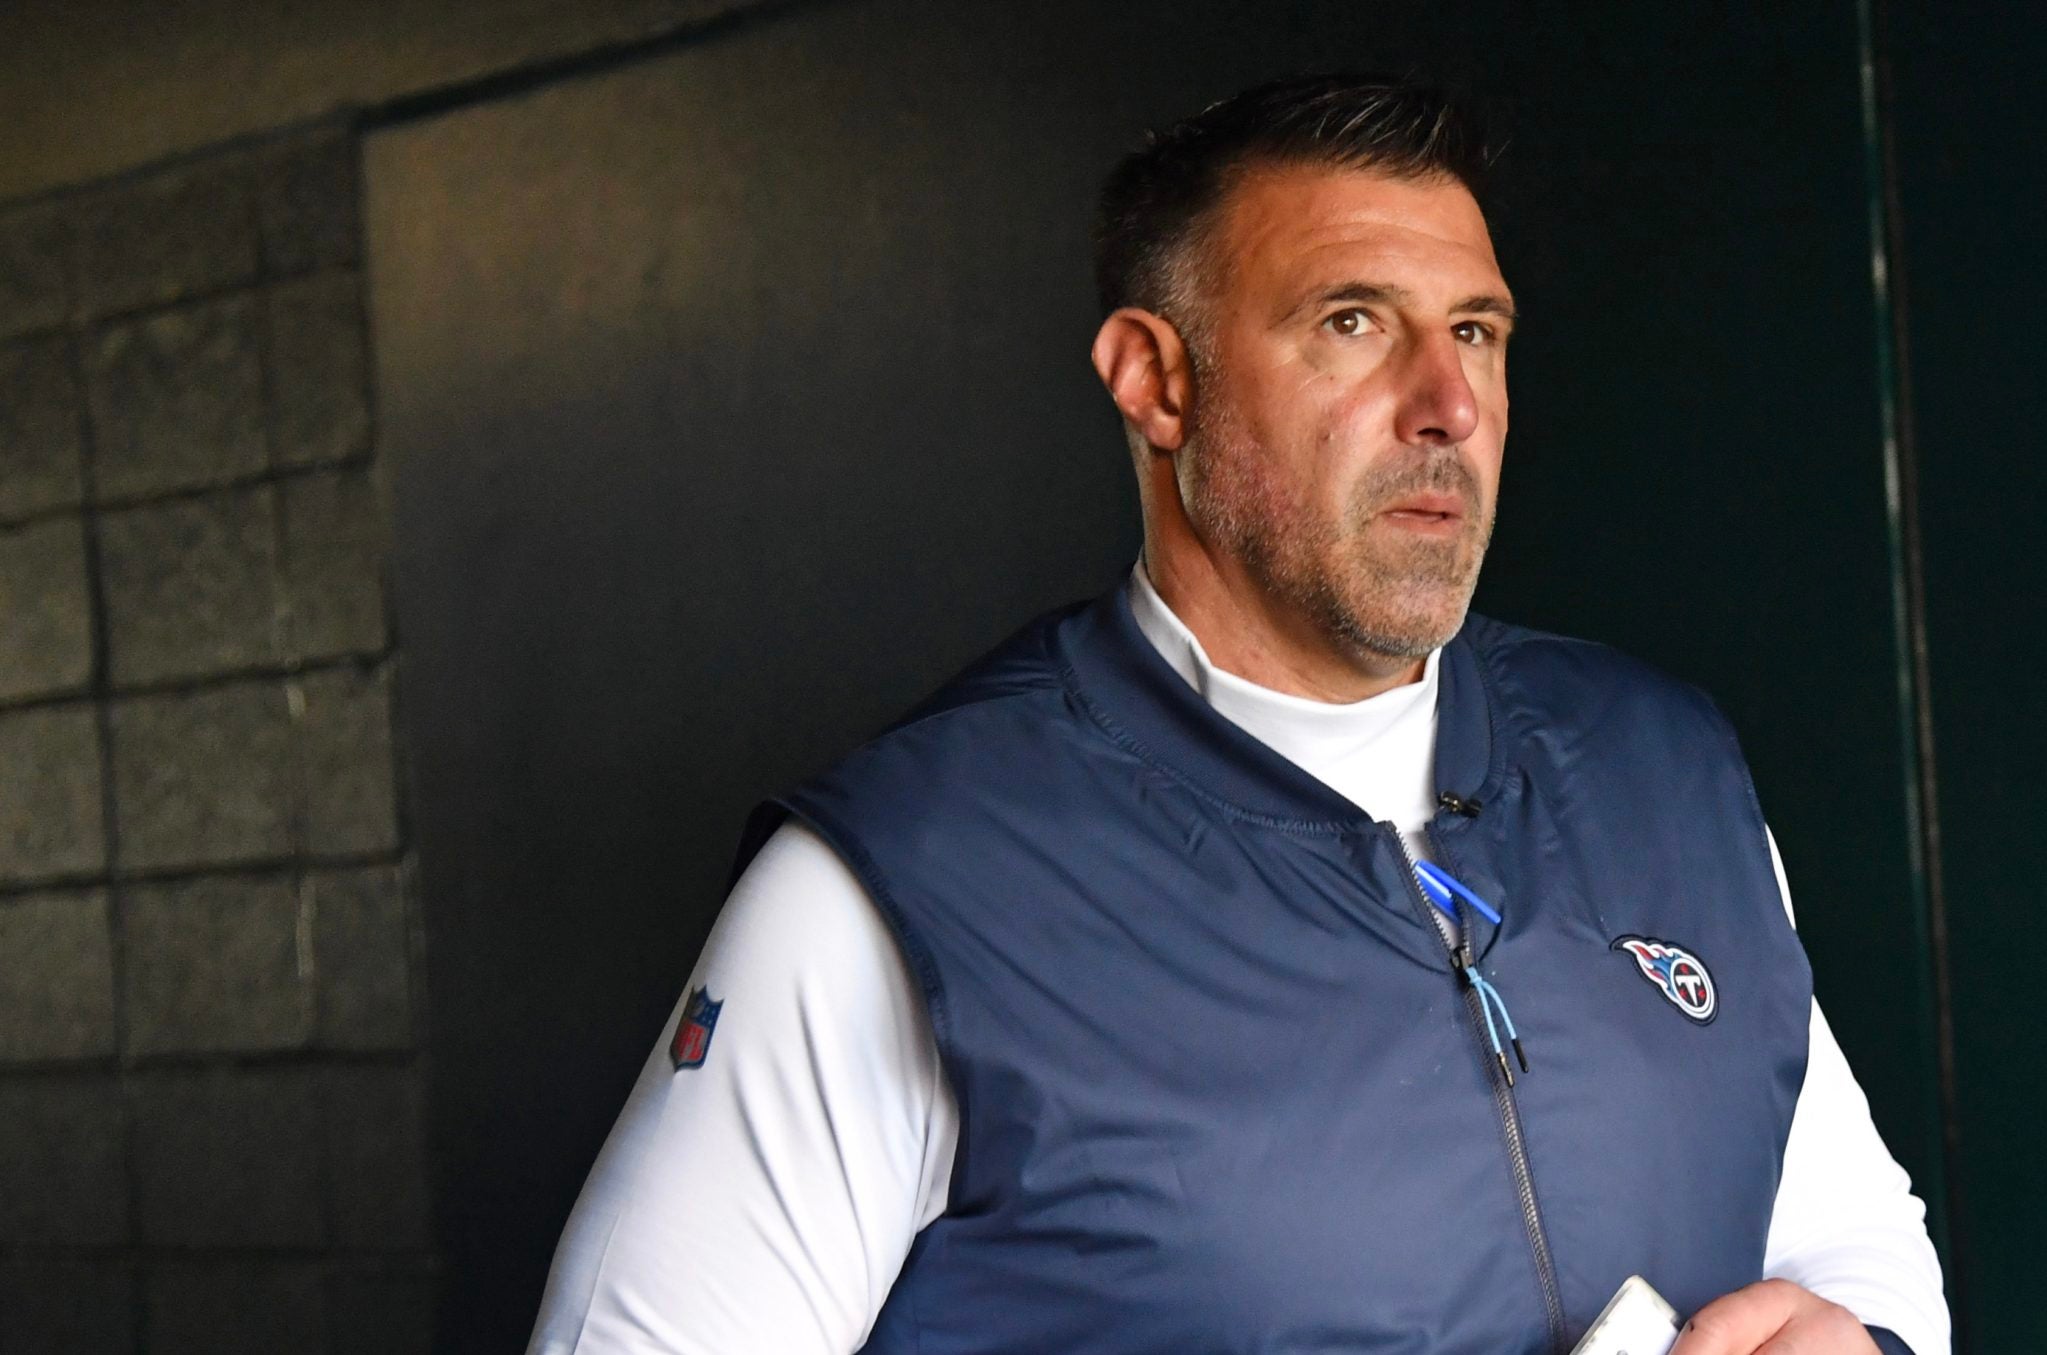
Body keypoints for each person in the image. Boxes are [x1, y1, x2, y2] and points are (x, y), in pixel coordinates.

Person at [528, 74, 1949, 1355]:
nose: (1447, 401)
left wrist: (1861, 1346)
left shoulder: (1664, 767)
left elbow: (1853, 1239)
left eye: (1477, 331)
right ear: (1159, 381)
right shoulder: (911, 886)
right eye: (1352, 324)